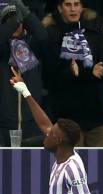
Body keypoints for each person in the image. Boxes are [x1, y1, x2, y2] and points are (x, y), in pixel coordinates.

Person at [42, 0, 103, 147]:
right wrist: (89, 73)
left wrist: (102, 69)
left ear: (82, 7)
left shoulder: (95, 34)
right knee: (72, 167)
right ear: (59, 8)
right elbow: (53, 76)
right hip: (67, 120)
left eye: (76, 4)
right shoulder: (52, 36)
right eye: (68, 5)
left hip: (97, 118)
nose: (73, 9)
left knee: (102, 167)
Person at [0, 0, 46, 147]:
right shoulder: (2, 50)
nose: (14, 24)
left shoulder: (33, 45)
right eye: (8, 21)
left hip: (32, 123)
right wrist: (14, 22)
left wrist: (25, 13)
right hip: (3, 125)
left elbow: (43, 36)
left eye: (17, 20)